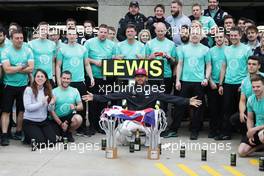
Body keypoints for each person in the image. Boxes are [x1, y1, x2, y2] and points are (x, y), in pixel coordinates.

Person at [174, 23, 211, 140]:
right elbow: (180, 64)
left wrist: (206, 78)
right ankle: (173, 129)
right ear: (190, 35)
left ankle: (194, 131)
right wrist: (177, 80)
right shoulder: (183, 48)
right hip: (185, 81)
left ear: (200, 35)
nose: (195, 35)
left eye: (197, 33)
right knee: (180, 106)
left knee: (197, 108)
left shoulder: (206, 49)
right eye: (193, 33)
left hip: (198, 83)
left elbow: (209, 65)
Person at [56, 27, 94, 136]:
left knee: (82, 105)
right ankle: (67, 125)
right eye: (70, 34)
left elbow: (86, 64)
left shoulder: (83, 49)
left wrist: (91, 77)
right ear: (66, 36)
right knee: (67, 104)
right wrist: (59, 81)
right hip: (67, 81)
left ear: (77, 36)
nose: (72, 36)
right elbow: (58, 66)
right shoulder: (62, 49)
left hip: (80, 80)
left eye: (74, 34)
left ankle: (81, 128)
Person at [218, 26, 253, 140]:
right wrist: (221, 84)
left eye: (235, 35)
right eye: (231, 35)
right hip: (228, 83)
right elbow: (224, 67)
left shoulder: (247, 49)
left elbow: (250, 68)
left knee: (242, 110)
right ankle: (226, 133)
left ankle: (244, 133)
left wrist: (245, 83)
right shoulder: (226, 49)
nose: (233, 37)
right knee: (226, 109)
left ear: (240, 35)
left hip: (241, 84)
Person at [1, 29, 34, 146]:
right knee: (6, 111)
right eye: (17, 38)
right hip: (8, 85)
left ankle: (19, 132)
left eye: (21, 38)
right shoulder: (5, 51)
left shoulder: (28, 50)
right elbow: (7, 70)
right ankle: (4, 135)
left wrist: (14, 67)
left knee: (21, 110)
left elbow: (31, 68)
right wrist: (22, 67)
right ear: (11, 39)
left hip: (23, 86)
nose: (20, 40)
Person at [84, 24, 116, 135]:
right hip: (93, 77)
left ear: (108, 33)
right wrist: (95, 62)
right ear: (98, 32)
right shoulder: (89, 43)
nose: (103, 34)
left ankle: (101, 125)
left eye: (105, 32)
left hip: (106, 78)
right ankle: (92, 126)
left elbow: (114, 59)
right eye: (101, 32)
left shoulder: (112, 45)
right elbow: (85, 58)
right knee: (92, 102)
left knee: (103, 102)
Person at [230, 56, 263, 141]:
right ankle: (248, 134)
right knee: (236, 118)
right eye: (249, 64)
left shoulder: (263, 77)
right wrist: (241, 112)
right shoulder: (244, 81)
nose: (251, 66)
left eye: (254, 64)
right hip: (251, 109)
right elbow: (242, 100)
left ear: (259, 66)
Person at [145, 22, 177, 112]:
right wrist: (150, 58)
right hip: (152, 76)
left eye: (162, 31)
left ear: (166, 31)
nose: (160, 33)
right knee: (152, 99)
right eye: (158, 31)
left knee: (165, 100)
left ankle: (163, 119)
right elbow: (143, 62)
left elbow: (175, 62)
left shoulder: (171, 44)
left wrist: (169, 57)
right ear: (155, 31)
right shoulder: (149, 44)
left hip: (166, 75)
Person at [23, 69, 56, 147]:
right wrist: (41, 103)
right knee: (41, 145)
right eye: (38, 76)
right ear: (34, 78)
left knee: (52, 142)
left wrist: (51, 104)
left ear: (45, 79)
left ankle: (36, 135)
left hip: (43, 121)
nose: (40, 78)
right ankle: (27, 137)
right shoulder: (29, 89)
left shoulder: (48, 91)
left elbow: (50, 109)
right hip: (30, 121)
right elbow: (28, 107)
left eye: (42, 76)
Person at [49, 71, 83, 142]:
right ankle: (62, 132)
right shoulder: (53, 91)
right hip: (56, 119)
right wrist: (61, 124)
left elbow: (81, 106)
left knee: (78, 119)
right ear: (60, 78)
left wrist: (75, 107)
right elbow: (51, 111)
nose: (66, 80)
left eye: (68, 79)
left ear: (71, 80)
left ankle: (68, 132)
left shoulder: (75, 91)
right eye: (64, 78)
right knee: (55, 139)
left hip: (68, 119)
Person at [238, 74, 264, 157]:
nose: (255, 89)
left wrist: (255, 129)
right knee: (242, 152)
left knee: (262, 136)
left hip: (261, 131)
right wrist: (250, 131)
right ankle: (260, 146)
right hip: (258, 129)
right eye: (253, 87)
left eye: (258, 86)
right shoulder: (251, 99)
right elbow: (250, 119)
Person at [207, 31, 226, 139]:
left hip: (224, 83)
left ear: (224, 38)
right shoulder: (211, 51)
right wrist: (210, 81)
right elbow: (207, 67)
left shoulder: (228, 50)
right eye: (217, 37)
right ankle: (213, 130)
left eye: (221, 37)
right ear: (214, 39)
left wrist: (222, 83)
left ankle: (222, 130)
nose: (219, 39)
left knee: (223, 108)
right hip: (213, 83)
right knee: (213, 108)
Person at [28, 22, 57, 87]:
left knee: (49, 97)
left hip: (48, 77)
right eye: (42, 29)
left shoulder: (53, 44)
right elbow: (29, 63)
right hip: (36, 77)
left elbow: (53, 62)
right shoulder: (30, 44)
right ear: (38, 30)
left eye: (46, 29)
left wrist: (53, 76)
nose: (44, 31)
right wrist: (31, 77)